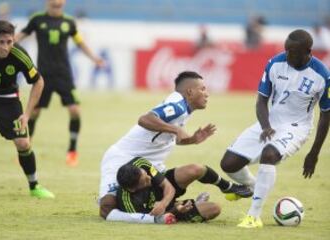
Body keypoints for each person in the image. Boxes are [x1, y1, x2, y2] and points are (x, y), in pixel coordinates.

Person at [99, 71, 253, 222]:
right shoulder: (178, 106)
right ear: (190, 91)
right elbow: (145, 119)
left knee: (195, 170)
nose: (207, 94)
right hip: (123, 160)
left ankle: (225, 188)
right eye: (203, 89)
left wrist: (191, 139)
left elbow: (170, 137)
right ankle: (167, 213)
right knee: (107, 207)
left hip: (151, 167)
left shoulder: (184, 109)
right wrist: (176, 129)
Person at [220, 29, 330, 228]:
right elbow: (262, 100)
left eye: (293, 52)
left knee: (269, 155)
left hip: (297, 127)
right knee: (228, 164)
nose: (287, 54)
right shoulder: (275, 63)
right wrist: (266, 126)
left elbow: (326, 115)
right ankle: (254, 187)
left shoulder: (322, 75)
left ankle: (254, 216)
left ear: (308, 51)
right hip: (270, 123)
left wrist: (314, 153)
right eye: (286, 49)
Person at [0, 20, 54, 199]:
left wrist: (27, 114)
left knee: (23, 143)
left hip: (6, 101)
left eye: (10, 42)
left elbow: (38, 81)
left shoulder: (19, 55)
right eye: (1, 42)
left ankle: (34, 186)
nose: (6, 47)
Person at [16, 0, 104, 167]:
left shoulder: (69, 22)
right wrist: (8, 44)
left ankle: (72, 150)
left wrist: (94, 58)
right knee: (34, 112)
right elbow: (21, 35)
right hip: (43, 75)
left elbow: (80, 43)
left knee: (75, 111)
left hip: (64, 74)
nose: (57, 3)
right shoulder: (37, 19)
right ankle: (26, 147)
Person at [115, 157, 224, 224]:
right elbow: (152, 220)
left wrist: (163, 203)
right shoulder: (127, 202)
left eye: (146, 174)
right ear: (132, 189)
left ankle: (226, 187)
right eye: (144, 181)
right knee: (215, 208)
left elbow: (168, 187)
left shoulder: (139, 163)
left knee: (194, 169)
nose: (149, 177)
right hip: (163, 212)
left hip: (162, 194)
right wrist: (176, 210)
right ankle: (193, 204)